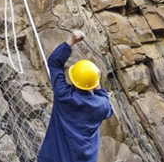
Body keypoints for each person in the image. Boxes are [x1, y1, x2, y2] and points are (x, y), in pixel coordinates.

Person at [38, 30, 113, 162]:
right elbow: (104, 100)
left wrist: (72, 40)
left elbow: (54, 63)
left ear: (73, 80)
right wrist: (98, 85)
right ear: (95, 83)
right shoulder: (102, 106)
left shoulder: (64, 95)